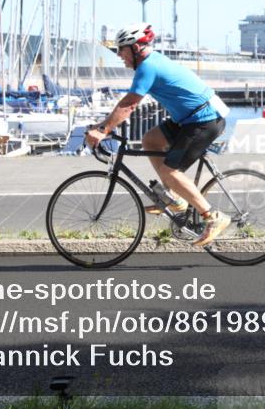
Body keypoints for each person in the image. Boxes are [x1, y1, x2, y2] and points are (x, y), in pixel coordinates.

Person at [84, 22, 231, 247]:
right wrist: (102, 125)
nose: (119, 55)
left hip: (204, 120)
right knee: (151, 140)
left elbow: (129, 104)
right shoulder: (150, 62)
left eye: (121, 50)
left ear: (135, 48)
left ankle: (212, 217)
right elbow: (127, 103)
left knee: (170, 171)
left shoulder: (148, 67)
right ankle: (174, 198)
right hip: (189, 118)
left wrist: (103, 130)